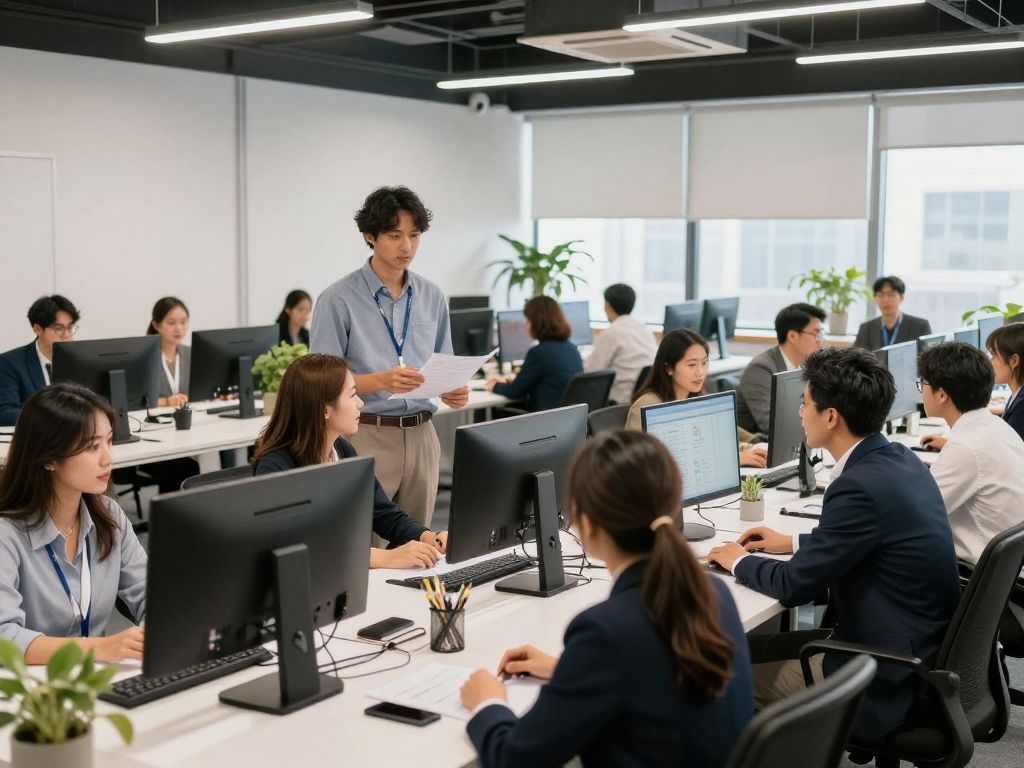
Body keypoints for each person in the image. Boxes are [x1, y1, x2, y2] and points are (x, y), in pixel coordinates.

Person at [708, 347, 960, 745]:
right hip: (913, 646)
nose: (799, 413)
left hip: (881, 674)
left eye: (804, 403)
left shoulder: (856, 486)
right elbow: (874, 542)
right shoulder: (898, 458)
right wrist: (791, 540)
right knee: (744, 647)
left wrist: (738, 561)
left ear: (830, 416)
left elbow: (795, 587)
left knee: (712, 677)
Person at [459, 430, 753, 768]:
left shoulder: (605, 632)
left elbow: (513, 759)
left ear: (586, 526)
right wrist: (570, 671)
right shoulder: (714, 593)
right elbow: (656, 673)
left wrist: (488, 704)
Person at [310, 186, 468, 527]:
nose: (406, 246)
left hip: (424, 436)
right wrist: (381, 380)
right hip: (366, 435)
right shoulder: (338, 299)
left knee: (419, 549)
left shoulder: (431, 296)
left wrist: (452, 388)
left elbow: (443, 362)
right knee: (367, 548)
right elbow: (319, 383)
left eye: (414, 235)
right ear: (370, 236)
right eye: (395, 235)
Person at [252, 353, 448, 569]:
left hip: (342, 580)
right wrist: (382, 557)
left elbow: (384, 514)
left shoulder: (342, 450)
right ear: (324, 410)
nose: (361, 403)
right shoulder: (276, 466)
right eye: (352, 395)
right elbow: (294, 547)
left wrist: (429, 537)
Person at [0, 384, 146, 664]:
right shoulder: (6, 534)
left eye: (109, 441)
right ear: (49, 459)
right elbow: (4, 637)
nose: (108, 458)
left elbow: (150, 591)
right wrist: (101, 648)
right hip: (29, 690)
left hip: (95, 679)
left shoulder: (110, 516)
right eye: (92, 447)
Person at [917, 342, 1024, 565]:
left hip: (974, 577)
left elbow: (915, 514)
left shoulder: (964, 448)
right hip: (1008, 574)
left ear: (942, 394)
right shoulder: (996, 427)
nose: (921, 390)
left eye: (923, 384)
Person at [627, 329, 768, 468]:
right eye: (692, 365)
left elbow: (718, 441)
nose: (700, 372)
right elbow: (645, 463)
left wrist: (753, 448)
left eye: (704, 363)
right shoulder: (647, 406)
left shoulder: (694, 399)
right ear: (668, 368)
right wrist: (732, 459)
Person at [735, 302, 826, 434]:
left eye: (821, 334)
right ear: (792, 336)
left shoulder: (808, 365)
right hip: (760, 445)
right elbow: (770, 423)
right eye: (816, 334)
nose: (820, 340)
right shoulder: (760, 369)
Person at [487, 296, 583, 412]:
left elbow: (514, 392)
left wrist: (493, 385)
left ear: (536, 322)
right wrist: (519, 379)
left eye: (527, 320)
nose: (526, 325)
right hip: (566, 420)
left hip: (544, 421)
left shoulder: (539, 352)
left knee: (491, 412)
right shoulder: (572, 348)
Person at [0, 295, 80, 426]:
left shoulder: (78, 361)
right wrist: (50, 418)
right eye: (59, 328)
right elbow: (5, 413)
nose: (67, 335)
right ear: (37, 329)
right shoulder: (10, 363)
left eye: (70, 327)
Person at [584, 283, 656, 404]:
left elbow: (591, 373)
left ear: (607, 306)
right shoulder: (645, 330)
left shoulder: (611, 333)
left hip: (619, 402)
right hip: (644, 399)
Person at [853, 276, 932, 351]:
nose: (885, 300)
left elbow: (927, 360)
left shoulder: (920, 326)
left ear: (901, 298)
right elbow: (857, 359)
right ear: (875, 298)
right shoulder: (865, 328)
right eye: (880, 295)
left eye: (891, 295)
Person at [147, 296, 190, 408]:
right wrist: (166, 401)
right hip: (155, 422)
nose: (179, 329)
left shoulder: (191, 354)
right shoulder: (146, 357)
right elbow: (135, 402)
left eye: (183, 322)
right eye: (172, 323)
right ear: (156, 325)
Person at [987, 322, 1024, 442]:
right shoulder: (1017, 395)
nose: (990, 361)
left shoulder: (1021, 409)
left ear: (1014, 361)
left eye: (994, 355)